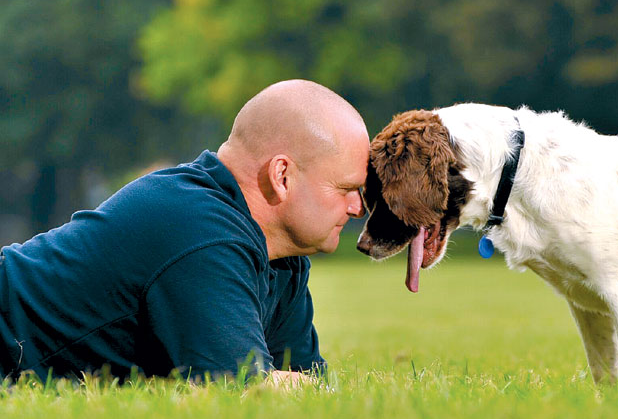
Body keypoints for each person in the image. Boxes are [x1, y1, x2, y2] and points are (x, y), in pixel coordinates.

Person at [0, 80, 368, 383]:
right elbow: (241, 387)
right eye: (345, 189)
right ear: (282, 176)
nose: (357, 207)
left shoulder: (282, 258)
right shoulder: (203, 230)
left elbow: (307, 378)